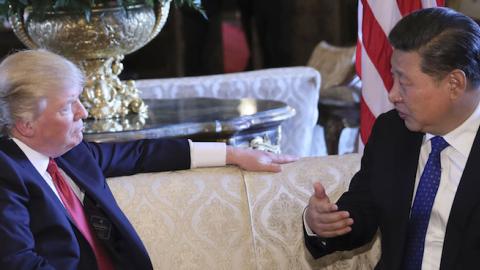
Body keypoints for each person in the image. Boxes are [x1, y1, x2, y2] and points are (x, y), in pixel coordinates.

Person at [0, 49, 297, 270]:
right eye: (68, 106)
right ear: (26, 124)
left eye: (80, 99)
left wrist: (233, 153)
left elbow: (143, 154)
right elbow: (20, 263)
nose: (83, 112)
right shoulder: (7, 173)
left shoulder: (71, 154)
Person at [304, 7, 480, 270]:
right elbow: (362, 209)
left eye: (405, 83)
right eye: (392, 77)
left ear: (454, 83)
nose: (393, 95)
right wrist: (322, 223)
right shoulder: (392, 131)